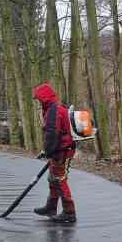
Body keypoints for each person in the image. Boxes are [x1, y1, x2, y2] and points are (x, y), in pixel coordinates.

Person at [32, 83, 77, 223]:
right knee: (53, 178)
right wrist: (46, 151)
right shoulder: (55, 108)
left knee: (59, 179)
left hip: (61, 150)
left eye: (39, 99)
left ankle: (69, 212)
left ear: (44, 98)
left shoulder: (54, 111)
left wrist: (47, 151)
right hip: (60, 149)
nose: (38, 102)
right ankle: (51, 207)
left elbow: (52, 133)